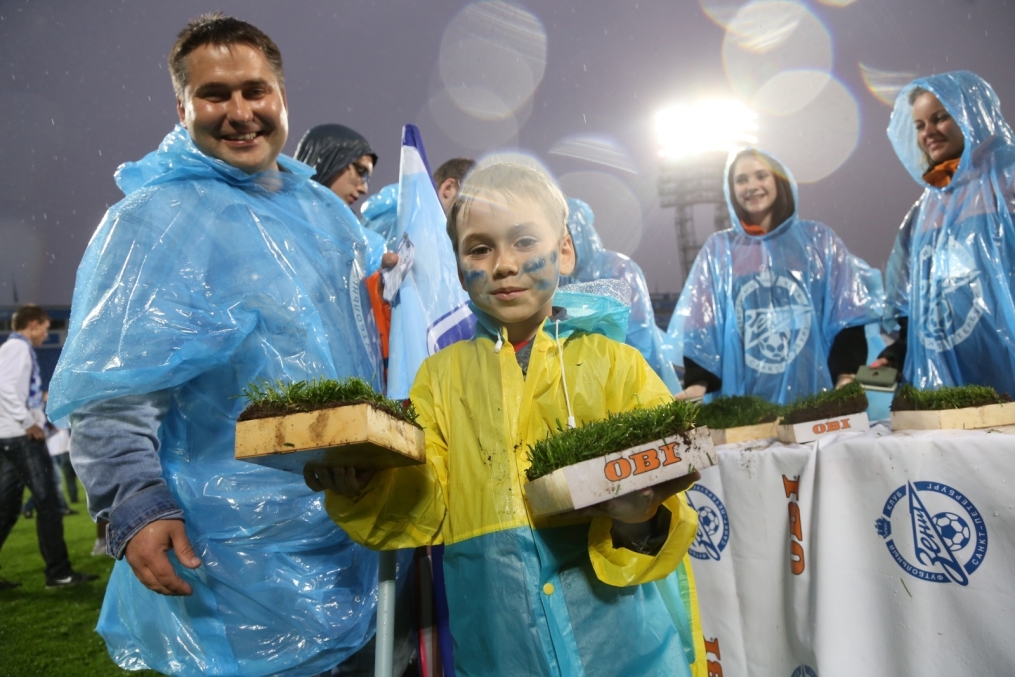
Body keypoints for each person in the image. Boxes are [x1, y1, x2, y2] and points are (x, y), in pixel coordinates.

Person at [48, 14, 400, 676]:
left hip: (351, 529)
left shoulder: (322, 212)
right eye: (214, 94)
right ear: (182, 107)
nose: (239, 112)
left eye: (254, 90)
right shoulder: (154, 220)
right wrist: (136, 503)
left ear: (281, 97)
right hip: (229, 559)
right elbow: (111, 390)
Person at [308, 164, 706, 677]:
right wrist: (363, 487)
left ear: (565, 250)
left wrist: (637, 517)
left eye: (524, 241)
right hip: (501, 651)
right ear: (458, 269)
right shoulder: (440, 380)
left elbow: (668, 507)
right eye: (479, 249)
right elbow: (423, 502)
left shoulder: (617, 367)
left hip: (623, 651)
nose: (503, 265)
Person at [666, 149, 882, 404]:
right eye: (741, 180)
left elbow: (846, 315)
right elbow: (703, 323)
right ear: (731, 189)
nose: (752, 186)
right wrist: (697, 382)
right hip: (742, 402)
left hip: (814, 393)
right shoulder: (719, 250)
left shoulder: (818, 240)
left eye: (761, 176)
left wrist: (846, 375)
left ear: (779, 181)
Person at [874, 71, 1015, 395]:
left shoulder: (1007, 179)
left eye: (940, 118)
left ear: (970, 115)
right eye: (919, 125)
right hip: (947, 392)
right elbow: (914, 304)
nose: (928, 132)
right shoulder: (924, 210)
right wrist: (894, 355)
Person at [0, 304, 96, 589]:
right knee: (50, 503)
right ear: (33, 323)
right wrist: (28, 422)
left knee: (7, 508)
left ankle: (58, 571)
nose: (45, 333)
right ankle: (58, 572)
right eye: (44, 326)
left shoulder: (12, 348)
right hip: (22, 436)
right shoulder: (18, 348)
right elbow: (4, 387)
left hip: (10, 437)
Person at [562, 197, 681, 392]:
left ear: (578, 233)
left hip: (638, 379)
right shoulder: (566, 278)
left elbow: (637, 333)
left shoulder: (619, 268)